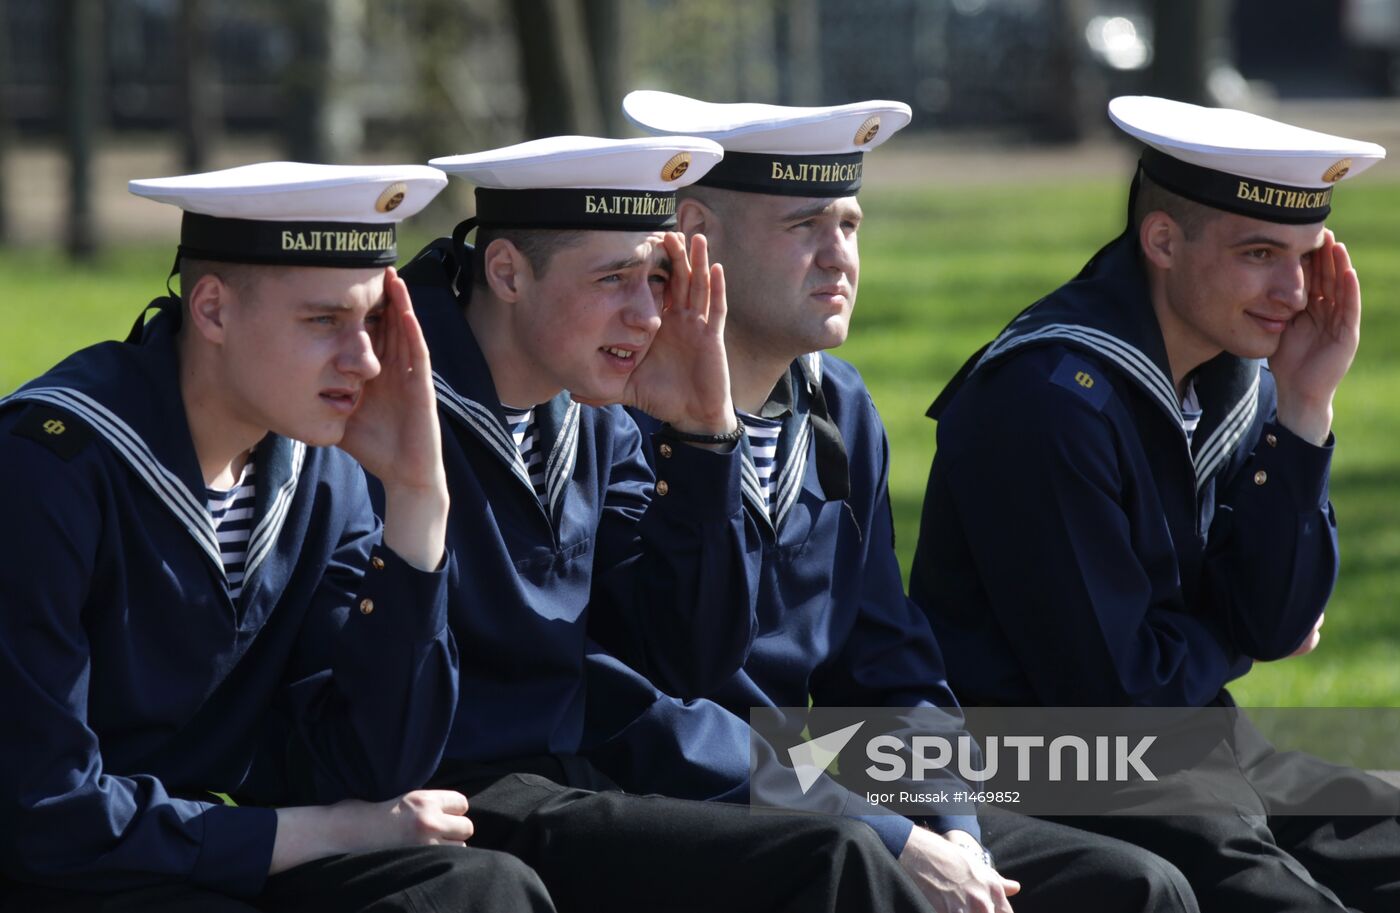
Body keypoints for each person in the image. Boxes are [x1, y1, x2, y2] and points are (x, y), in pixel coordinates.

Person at [580, 91, 1198, 913]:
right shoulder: (616, 413)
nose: (839, 256)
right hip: (690, 798)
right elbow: (646, 711)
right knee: (860, 871)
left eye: (850, 225)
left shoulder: (835, 406)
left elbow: (890, 667)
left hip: (819, 777)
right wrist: (894, 836)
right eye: (805, 227)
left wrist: (954, 826)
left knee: (1137, 888)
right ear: (696, 235)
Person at [389, 135, 931, 913]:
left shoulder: (823, 405)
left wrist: (705, 434)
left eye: (654, 276)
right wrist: (868, 818)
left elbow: (701, 653)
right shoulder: (403, 401)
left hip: (798, 763)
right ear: (506, 271)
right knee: (841, 859)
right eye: (614, 278)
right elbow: (645, 702)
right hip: (510, 785)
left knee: (1143, 783)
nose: (645, 314)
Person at [0, 162, 551, 913]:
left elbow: (369, 763)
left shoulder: (318, 466)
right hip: (70, 873)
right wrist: (315, 830)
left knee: (485, 888)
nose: (363, 361)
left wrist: (419, 501)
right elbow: (47, 815)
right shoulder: (49, 464)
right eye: (324, 321)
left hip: (655, 765)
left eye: (372, 325)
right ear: (214, 311)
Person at [911, 95, 1400, 911]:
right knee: (1288, 899)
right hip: (1043, 760)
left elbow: (1277, 616)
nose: (1290, 291)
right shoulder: (1049, 399)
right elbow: (1118, 695)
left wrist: (1306, 408)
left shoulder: (1233, 369)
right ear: (1163, 241)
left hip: (1187, 736)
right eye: (1257, 253)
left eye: (1304, 257)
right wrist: (1234, 633)